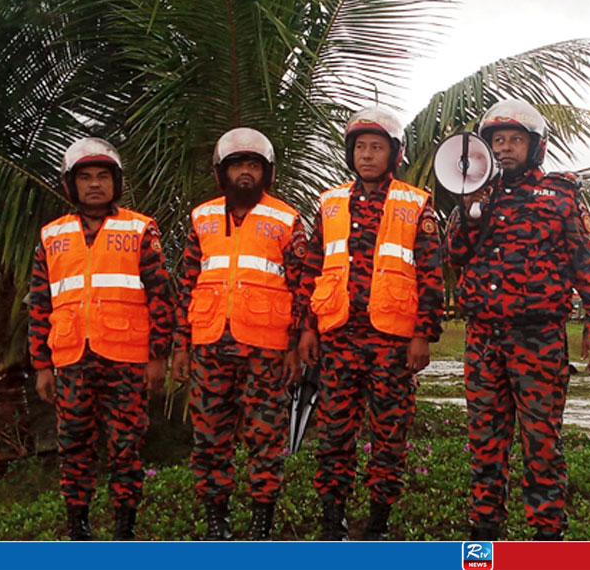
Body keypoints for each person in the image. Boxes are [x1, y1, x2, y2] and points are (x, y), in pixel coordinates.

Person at [445, 99, 590, 541]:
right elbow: (455, 256)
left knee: (541, 442)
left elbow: (585, 261)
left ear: (535, 146)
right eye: (497, 140)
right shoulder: (475, 192)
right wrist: (469, 210)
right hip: (483, 338)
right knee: (485, 442)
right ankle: (484, 531)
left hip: (538, 338)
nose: (504, 149)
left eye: (515, 140)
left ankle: (547, 535)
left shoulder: (560, 194)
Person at [298, 106, 444, 541]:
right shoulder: (329, 203)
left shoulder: (416, 204)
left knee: (389, 434)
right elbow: (313, 268)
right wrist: (308, 328)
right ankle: (332, 521)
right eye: (359, 147)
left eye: (376, 148)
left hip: (393, 342)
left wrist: (423, 334)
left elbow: (432, 275)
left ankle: (378, 522)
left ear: (394, 154)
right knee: (334, 434)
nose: (366, 155)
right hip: (338, 338)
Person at [29, 137, 172, 540]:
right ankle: (80, 529)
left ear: (116, 183)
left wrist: (157, 357)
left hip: (126, 361)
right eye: (86, 177)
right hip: (71, 360)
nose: (95, 184)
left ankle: (124, 532)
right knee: (73, 449)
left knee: (126, 449)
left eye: (103, 176)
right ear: (70, 185)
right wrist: (41, 365)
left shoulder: (140, 228)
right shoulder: (51, 236)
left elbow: (161, 296)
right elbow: (40, 302)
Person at [171, 127, 306, 540]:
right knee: (210, 438)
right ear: (221, 173)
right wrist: (180, 345)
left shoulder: (287, 219)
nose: (244, 173)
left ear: (266, 172)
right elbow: (187, 283)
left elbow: (303, 286)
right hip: (210, 344)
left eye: (252, 165)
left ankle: (261, 522)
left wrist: (296, 346)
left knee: (265, 439)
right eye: (236, 166)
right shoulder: (202, 217)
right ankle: (217, 521)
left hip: (266, 348)